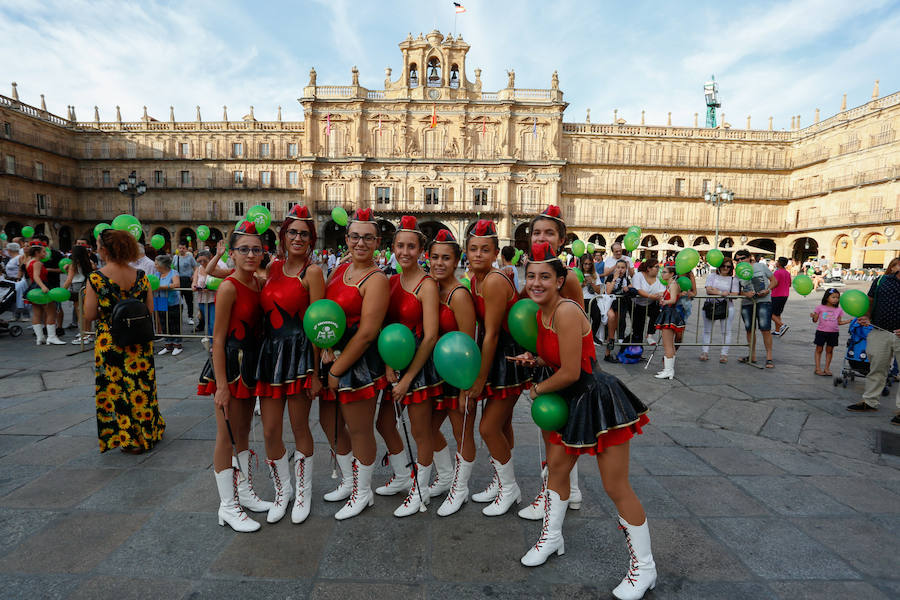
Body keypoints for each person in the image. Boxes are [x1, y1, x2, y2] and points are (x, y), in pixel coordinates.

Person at [518, 242, 655, 600]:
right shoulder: (540, 313)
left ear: (560, 280)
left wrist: (537, 391)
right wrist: (535, 359)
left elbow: (569, 371)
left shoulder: (564, 311)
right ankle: (552, 539)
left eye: (545, 276)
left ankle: (645, 569)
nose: (536, 282)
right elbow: (559, 360)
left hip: (598, 401)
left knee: (616, 487)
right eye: (531, 275)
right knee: (557, 470)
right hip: (570, 400)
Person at [251, 204, 325, 524]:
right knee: (269, 431)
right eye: (292, 231)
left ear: (311, 239)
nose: (298, 237)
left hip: (299, 358)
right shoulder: (272, 267)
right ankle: (284, 491)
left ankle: (303, 492)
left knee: (299, 428)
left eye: (304, 233)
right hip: (270, 356)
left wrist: (317, 372)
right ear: (283, 235)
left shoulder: (313, 272)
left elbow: (321, 325)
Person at [198, 221, 270, 532]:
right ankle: (227, 506)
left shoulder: (257, 283)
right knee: (225, 436)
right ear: (232, 253)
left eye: (256, 249)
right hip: (229, 366)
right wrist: (222, 386)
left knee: (241, 432)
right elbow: (217, 339)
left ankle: (244, 493)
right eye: (244, 249)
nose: (251, 254)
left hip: (250, 366)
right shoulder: (228, 287)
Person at [320, 208, 390, 520]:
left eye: (367, 238)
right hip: (331, 355)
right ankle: (349, 481)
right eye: (354, 237)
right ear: (346, 239)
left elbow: (366, 334)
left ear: (377, 242)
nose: (360, 243)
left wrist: (337, 370)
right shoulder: (339, 270)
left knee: (359, 428)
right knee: (328, 421)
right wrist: (325, 347)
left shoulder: (376, 280)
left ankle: (364, 492)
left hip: (358, 363)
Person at [519, 205, 584, 522]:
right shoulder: (535, 272)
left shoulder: (567, 278)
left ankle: (551, 494)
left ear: (561, 240)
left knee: (556, 433)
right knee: (557, 431)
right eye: (536, 232)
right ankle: (569, 490)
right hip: (547, 360)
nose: (540, 237)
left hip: (563, 367)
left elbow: (576, 323)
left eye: (548, 233)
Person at [377, 216, 442, 517]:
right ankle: (404, 476)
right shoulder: (390, 281)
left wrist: (408, 378)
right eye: (400, 245)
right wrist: (389, 364)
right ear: (393, 248)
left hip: (419, 366)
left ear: (421, 251)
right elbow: (387, 327)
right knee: (384, 423)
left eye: (411, 246)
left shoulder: (427, 285)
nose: (405, 251)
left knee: (420, 431)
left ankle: (420, 491)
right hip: (395, 364)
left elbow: (430, 337)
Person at [466, 219, 532, 516]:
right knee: (501, 425)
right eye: (472, 249)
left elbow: (491, 333)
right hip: (497, 356)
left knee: (488, 427)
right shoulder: (475, 279)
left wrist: (479, 379)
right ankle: (500, 480)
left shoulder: (492, 281)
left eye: (484, 249)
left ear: (495, 253)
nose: (478, 254)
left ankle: (509, 488)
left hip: (507, 358)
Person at [83, 228, 165, 454]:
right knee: (142, 386)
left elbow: (89, 315)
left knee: (117, 389)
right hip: (139, 340)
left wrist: (106, 312)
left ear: (103, 250)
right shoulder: (140, 276)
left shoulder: (96, 278)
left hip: (111, 341)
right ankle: (148, 431)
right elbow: (149, 310)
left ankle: (128, 438)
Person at [426, 229, 478, 516]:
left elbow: (468, 344)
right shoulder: (432, 288)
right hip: (436, 374)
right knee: (429, 429)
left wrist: (464, 388)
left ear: (457, 260)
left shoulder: (459, 294)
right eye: (434, 257)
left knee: (462, 433)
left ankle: (460, 489)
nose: (439, 263)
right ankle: (446, 476)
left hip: (459, 375)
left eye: (446, 258)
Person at [852, 257, 900, 425]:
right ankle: (870, 401)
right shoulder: (881, 280)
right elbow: (870, 300)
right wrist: (866, 315)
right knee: (876, 368)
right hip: (880, 330)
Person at [734, 250, 776, 368]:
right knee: (749, 329)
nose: (740, 261)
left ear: (749, 258)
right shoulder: (738, 272)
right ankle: (752, 355)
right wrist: (745, 294)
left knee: (765, 329)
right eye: (737, 260)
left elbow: (774, 281)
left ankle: (769, 357)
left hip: (764, 301)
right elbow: (737, 290)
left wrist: (767, 290)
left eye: (742, 258)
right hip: (747, 302)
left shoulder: (761, 266)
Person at [24, 243, 65, 345]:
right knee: (52, 312)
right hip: (41, 287)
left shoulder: (28, 262)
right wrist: (43, 286)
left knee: (37, 313)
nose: (45, 253)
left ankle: (40, 337)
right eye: (43, 251)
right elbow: (36, 276)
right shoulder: (38, 263)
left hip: (33, 289)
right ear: (37, 253)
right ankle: (51, 337)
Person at [701, 258, 739, 363]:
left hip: (727, 306)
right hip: (711, 305)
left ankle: (724, 354)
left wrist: (716, 291)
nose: (725, 268)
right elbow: (708, 290)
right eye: (723, 266)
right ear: (719, 266)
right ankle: (704, 351)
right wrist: (723, 293)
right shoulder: (712, 276)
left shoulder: (733, 280)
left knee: (726, 331)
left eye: (728, 266)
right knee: (707, 330)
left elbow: (735, 294)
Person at [653, 266, 686, 379]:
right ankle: (668, 370)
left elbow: (673, 300)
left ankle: (668, 370)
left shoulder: (673, 285)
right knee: (669, 344)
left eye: (665, 272)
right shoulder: (671, 285)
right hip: (669, 313)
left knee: (667, 344)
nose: (662, 274)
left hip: (670, 314)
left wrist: (664, 301)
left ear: (672, 274)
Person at [811, 288, 850, 376]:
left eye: (837, 298)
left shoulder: (839, 310)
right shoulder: (819, 307)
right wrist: (813, 316)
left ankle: (827, 368)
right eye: (833, 297)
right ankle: (817, 368)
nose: (836, 299)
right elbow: (815, 320)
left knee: (830, 351)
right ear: (827, 298)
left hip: (833, 333)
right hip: (821, 332)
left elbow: (839, 322)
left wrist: (849, 321)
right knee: (819, 350)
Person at [63, 245, 96, 344]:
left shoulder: (73, 265)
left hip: (77, 288)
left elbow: (69, 280)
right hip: (87, 287)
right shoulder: (89, 262)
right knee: (86, 313)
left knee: (80, 313)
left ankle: (83, 336)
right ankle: (89, 334)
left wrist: (62, 291)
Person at [152, 254, 182, 356]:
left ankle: (177, 345)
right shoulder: (157, 275)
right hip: (160, 301)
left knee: (174, 324)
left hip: (173, 302)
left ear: (162, 264)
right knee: (164, 324)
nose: (155, 265)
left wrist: (162, 287)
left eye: (156, 263)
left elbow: (176, 284)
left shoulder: (173, 272)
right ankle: (168, 345)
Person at [630, 259, 664, 346]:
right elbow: (638, 290)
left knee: (657, 313)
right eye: (656, 267)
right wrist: (651, 296)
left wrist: (658, 296)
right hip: (637, 304)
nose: (658, 269)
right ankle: (636, 347)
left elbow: (662, 291)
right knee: (638, 327)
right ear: (649, 268)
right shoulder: (638, 276)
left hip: (651, 303)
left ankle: (650, 335)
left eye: (658, 267)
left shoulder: (658, 279)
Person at [604, 259, 633, 362]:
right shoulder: (611, 277)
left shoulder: (626, 279)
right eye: (618, 267)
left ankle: (608, 353)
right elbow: (608, 291)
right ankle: (608, 354)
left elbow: (631, 288)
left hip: (620, 305)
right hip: (610, 304)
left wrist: (628, 288)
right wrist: (615, 279)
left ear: (626, 269)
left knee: (613, 329)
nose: (620, 270)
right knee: (611, 324)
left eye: (623, 268)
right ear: (615, 268)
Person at [192, 250, 216, 341]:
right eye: (199, 261)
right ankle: (211, 342)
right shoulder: (198, 269)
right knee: (207, 322)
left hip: (213, 299)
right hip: (202, 300)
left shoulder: (216, 268)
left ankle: (215, 343)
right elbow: (194, 281)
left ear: (210, 259)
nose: (202, 263)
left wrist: (211, 288)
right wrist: (194, 286)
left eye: (204, 261)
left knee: (213, 322)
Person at [173, 243, 197, 326]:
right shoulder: (175, 257)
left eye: (183, 248)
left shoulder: (190, 258)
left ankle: (190, 317)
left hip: (187, 280)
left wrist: (194, 276)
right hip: (178, 280)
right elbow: (172, 268)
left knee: (189, 300)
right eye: (180, 248)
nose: (181, 250)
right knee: (179, 300)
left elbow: (195, 268)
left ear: (186, 249)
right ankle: (179, 317)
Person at [771, 257, 792, 336]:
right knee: (777, 313)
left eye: (777, 262)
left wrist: (768, 289)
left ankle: (783, 325)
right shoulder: (787, 273)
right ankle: (777, 331)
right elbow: (789, 284)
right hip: (785, 295)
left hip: (776, 294)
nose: (776, 263)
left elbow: (774, 283)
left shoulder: (777, 272)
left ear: (779, 263)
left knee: (770, 312)